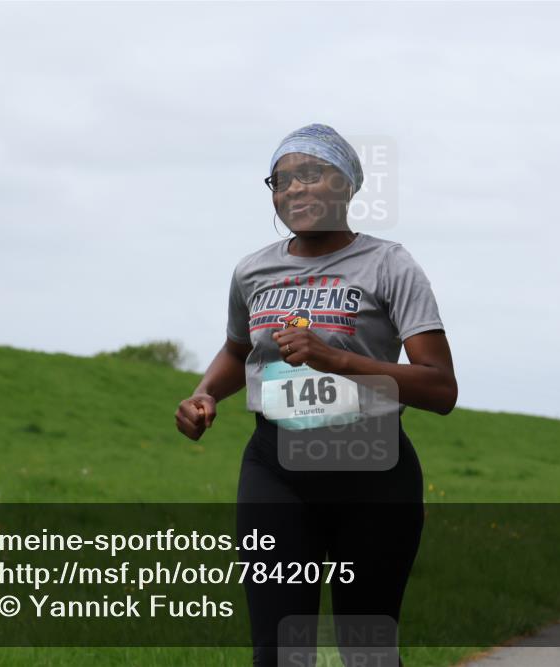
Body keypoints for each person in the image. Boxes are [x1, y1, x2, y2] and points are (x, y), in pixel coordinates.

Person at [175, 123, 458, 666]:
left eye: (311, 174)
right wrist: (205, 394)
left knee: (367, 650)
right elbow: (238, 352)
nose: (294, 190)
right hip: (276, 468)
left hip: (373, 469)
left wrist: (337, 359)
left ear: (347, 185)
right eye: (281, 181)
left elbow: (441, 388)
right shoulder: (254, 271)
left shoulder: (389, 264)